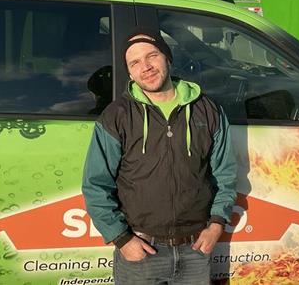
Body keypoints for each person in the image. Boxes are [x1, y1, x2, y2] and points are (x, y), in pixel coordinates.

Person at [82, 27, 237, 285]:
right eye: (135, 62)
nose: (146, 66)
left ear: (167, 58)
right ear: (130, 72)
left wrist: (217, 224)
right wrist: (121, 238)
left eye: (152, 55)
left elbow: (225, 173)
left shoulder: (207, 110)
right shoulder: (116, 116)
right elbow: (96, 184)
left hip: (195, 249)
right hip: (140, 249)